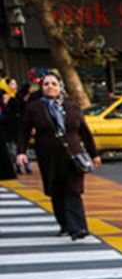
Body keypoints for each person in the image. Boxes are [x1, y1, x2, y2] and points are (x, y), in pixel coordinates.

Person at [16, 72, 99, 239]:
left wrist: (94, 154)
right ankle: (65, 225)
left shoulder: (72, 106)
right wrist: (21, 152)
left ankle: (78, 227)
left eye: (54, 84)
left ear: (60, 86)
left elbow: (84, 131)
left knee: (73, 190)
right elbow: (24, 131)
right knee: (56, 191)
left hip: (73, 155)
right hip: (49, 156)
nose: (50, 87)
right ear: (42, 87)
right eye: (46, 84)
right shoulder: (35, 108)